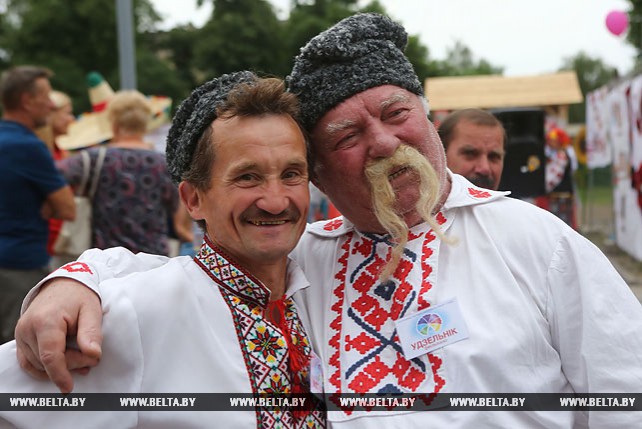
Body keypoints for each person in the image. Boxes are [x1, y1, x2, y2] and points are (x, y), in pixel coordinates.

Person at [12, 13, 642, 428]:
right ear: (319, 172)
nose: (385, 142)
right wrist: (78, 278)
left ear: (427, 116)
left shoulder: (534, 243)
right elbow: (187, 277)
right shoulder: (306, 258)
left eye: (396, 113)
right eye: (347, 133)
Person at [0, 72, 325, 428]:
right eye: (247, 176)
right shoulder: (133, 311)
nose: (276, 202)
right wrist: (78, 278)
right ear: (194, 200)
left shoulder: (325, 287)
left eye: (292, 174)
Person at [0, 66, 75, 344]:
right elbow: (68, 208)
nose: (51, 103)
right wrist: (49, 204)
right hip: (20, 264)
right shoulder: (28, 146)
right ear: (26, 101)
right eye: (45, 95)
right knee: (15, 352)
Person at [56, 90, 179, 256]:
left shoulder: (93, 159)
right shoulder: (164, 164)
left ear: (113, 123)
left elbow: (50, 176)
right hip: (153, 258)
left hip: (107, 259)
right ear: (145, 124)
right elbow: (176, 209)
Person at [437, 108, 505, 190]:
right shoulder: (420, 202)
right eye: (470, 154)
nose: (485, 168)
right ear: (440, 156)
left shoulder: (516, 203)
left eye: (493, 157)